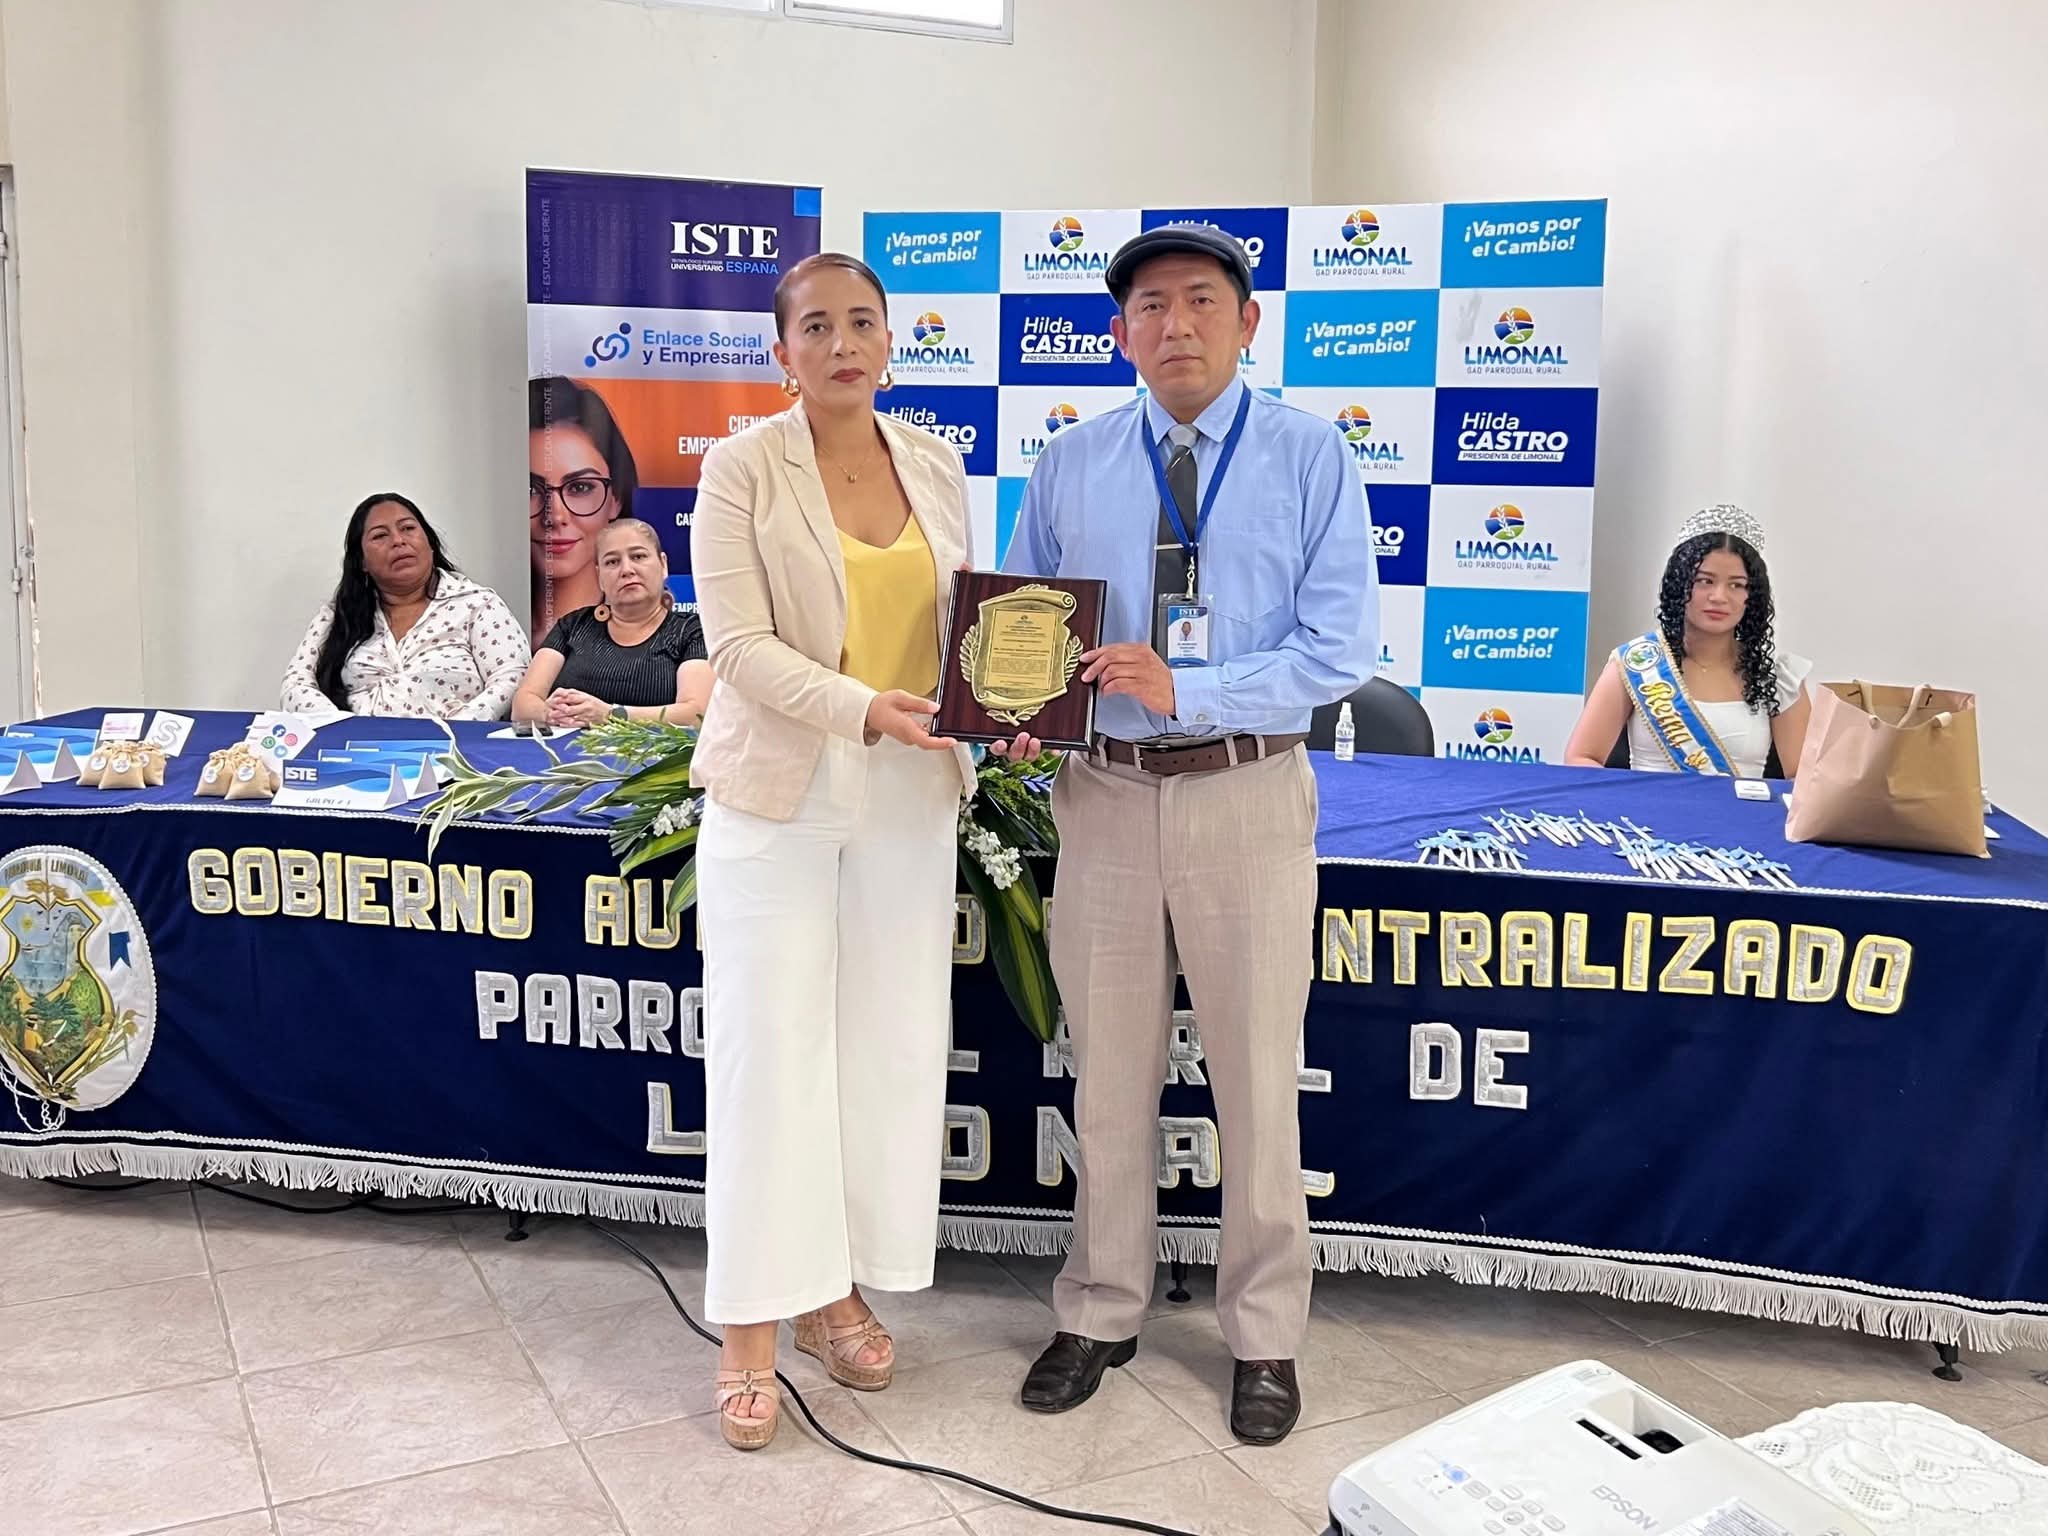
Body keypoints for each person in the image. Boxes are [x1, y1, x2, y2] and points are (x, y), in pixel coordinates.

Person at [1001, 225, 1378, 1445]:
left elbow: (1338, 650)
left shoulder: (1310, 454)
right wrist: (1014, 716)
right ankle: (1099, 1308)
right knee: (1106, 1074)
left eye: (1200, 301)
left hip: (1243, 793)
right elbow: (1022, 623)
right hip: (1104, 796)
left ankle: (1262, 1335)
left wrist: (1192, 689)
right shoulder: (1069, 462)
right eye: (1150, 306)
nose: (1175, 324)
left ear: (1246, 322)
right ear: (1119, 333)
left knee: (1257, 1081)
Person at [689, 252, 1026, 1451]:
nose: (843, 344)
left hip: (908, 796)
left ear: (890, 341)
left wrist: (1004, 713)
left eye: (863, 323)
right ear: (781, 350)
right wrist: (861, 709)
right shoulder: (740, 467)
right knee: (768, 1056)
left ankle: (833, 1292)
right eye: (818, 326)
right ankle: (747, 1333)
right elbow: (736, 646)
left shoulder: (933, 462)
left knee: (883, 1049)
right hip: (779, 795)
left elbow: (965, 634)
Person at [1563, 504, 1811, 778]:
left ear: (1751, 597)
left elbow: (1802, 781)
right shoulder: (1636, 664)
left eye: (1737, 585)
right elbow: (1581, 758)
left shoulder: (1777, 676)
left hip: (1740, 807)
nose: (1719, 596)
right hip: (1648, 804)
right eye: (1705, 581)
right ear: (1679, 584)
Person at [281, 492, 528, 719]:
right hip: (358, 746)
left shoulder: (477, 604)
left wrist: (462, 728)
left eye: (408, 528)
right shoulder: (337, 615)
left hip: (458, 745)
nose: (398, 541)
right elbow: (296, 683)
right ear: (362, 562)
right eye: (380, 536)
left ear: (430, 545)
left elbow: (512, 676)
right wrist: (338, 727)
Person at [510, 518, 711, 729]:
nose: (626, 570)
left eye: (638, 556)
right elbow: (522, 704)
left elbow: (695, 714)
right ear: (599, 576)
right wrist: (550, 713)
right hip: (566, 747)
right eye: (612, 562)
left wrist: (610, 715)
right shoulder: (572, 626)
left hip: (651, 750)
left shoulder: (692, 631)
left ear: (663, 565)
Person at [530, 374, 638, 645]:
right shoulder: (478, 625)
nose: (555, 516)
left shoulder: (662, 635)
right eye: (530, 489)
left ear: (616, 498)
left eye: (580, 488)